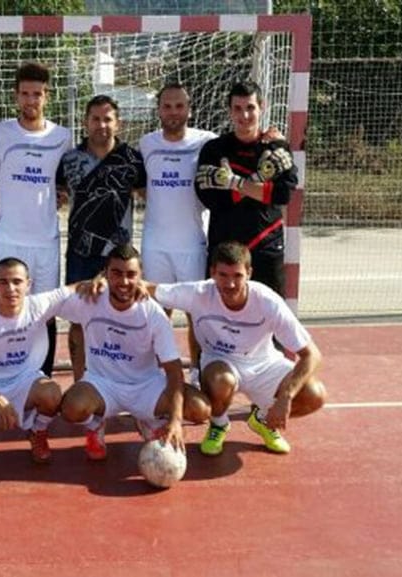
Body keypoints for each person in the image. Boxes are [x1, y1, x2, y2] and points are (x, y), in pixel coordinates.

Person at [151, 241, 326, 456]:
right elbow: (148, 289)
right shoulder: (198, 293)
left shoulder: (267, 301)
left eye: (237, 276)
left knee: (314, 395)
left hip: (263, 365)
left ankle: (261, 419)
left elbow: (312, 355)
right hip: (220, 363)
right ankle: (218, 424)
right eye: (223, 275)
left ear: (249, 273)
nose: (230, 284)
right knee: (221, 379)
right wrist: (103, 283)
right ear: (212, 272)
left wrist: (285, 398)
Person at [58, 244, 210, 460]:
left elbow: (174, 371)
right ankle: (95, 424)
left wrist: (175, 420)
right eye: (116, 274)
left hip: (146, 386)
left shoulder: (153, 312)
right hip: (103, 384)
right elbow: (46, 303)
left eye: (131, 275)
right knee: (72, 408)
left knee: (200, 409)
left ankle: (148, 420)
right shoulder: (90, 298)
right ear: (106, 274)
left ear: (141, 278)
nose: (124, 281)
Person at [0, 258, 80, 464]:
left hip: (24, 383)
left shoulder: (38, 305)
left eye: (17, 282)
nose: (10, 288)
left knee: (52, 393)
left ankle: (38, 431)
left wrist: (101, 280)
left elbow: (76, 288)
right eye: (3, 282)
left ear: (29, 284)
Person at [0, 62, 72, 377]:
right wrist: (3, 204)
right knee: (9, 309)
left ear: (46, 96)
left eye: (37, 94)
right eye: (25, 94)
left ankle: (43, 379)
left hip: (46, 239)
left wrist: (60, 195)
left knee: (45, 313)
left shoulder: (62, 136)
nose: (30, 100)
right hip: (10, 238)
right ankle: (7, 374)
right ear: (16, 96)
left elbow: (63, 183)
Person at [57, 94, 146, 380]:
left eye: (107, 119)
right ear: (86, 122)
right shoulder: (70, 159)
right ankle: (82, 381)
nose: (101, 125)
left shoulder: (132, 159)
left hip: (119, 256)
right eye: (95, 118)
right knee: (80, 320)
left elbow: (150, 195)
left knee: (122, 319)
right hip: (81, 252)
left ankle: (121, 379)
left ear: (117, 123)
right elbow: (54, 196)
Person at [139, 82, 217, 377]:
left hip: (192, 244)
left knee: (196, 313)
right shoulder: (146, 144)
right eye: (167, 106)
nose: (173, 112)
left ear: (189, 109)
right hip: (155, 244)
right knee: (157, 313)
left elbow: (241, 143)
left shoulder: (207, 141)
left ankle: (197, 370)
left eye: (179, 106)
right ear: (158, 110)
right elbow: (140, 186)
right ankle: (156, 373)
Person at [195, 80, 298, 296]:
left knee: (271, 318)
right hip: (224, 247)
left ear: (262, 107)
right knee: (217, 318)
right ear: (229, 111)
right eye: (238, 109)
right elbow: (211, 199)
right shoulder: (214, 150)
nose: (244, 116)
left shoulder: (276, 147)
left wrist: (233, 183)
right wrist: (259, 183)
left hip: (266, 244)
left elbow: (283, 195)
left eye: (250, 107)